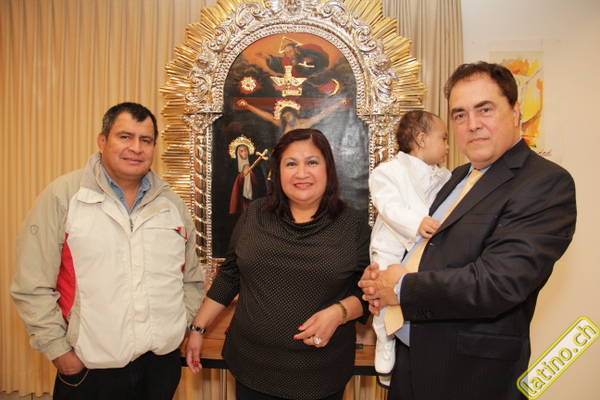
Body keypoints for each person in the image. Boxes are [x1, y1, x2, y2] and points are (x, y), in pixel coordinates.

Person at [359, 62, 577, 400]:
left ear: (515, 112)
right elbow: (428, 251)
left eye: (484, 109)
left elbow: (498, 283)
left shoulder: (544, 182)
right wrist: (381, 280)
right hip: (412, 364)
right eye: (459, 115)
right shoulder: (457, 177)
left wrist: (400, 288)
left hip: (470, 377)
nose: (472, 124)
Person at [10, 102, 203, 400]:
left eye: (146, 140)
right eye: (125, 137)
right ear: (102, 141)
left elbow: (190, 278)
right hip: (89, 369)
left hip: (160, 366)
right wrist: (59, 351)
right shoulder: (65, 197)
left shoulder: (171, 204)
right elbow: (31, 284)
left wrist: (178, 328)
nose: (136, 148)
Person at [186, 128, 371, 400]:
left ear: (328, 169)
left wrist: (339, 312)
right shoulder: (254, 215)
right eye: (291, 164)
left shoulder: (353, 225)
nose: (301, 173)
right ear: (277, 172)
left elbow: (369, 293)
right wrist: (198, 328)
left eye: (312, 162)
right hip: (251, 368)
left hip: (320, 375)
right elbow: (230, 276)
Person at [369, 110, 451, 377]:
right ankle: (384, 339)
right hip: (391, 243)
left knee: (413, 295)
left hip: (425, 249)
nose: (448, 146)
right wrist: (416, 223)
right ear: (421, 139)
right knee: (382, 291)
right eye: (444, 138)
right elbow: (389, 207)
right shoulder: (387, 172)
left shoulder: (446, 177)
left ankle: (415, 339)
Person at [236, 98, 348, 135]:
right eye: (284, 116)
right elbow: (266, 116)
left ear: (294, 113)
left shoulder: (305, 123)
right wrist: (247, 106)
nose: (286, 117)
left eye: (288, 114)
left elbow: (323, 114)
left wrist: (339, 104)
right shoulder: (283, 125)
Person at [228, 136, 266, 214]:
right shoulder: (233, 167)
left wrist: (251, 175)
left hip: (253, 199)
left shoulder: (255, 167)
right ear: (238, 153)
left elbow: (261, 183)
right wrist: (241, 176)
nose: (244, 153)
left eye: (245, 150)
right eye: (241, 151)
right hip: (240, 200)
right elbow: (230, 186)